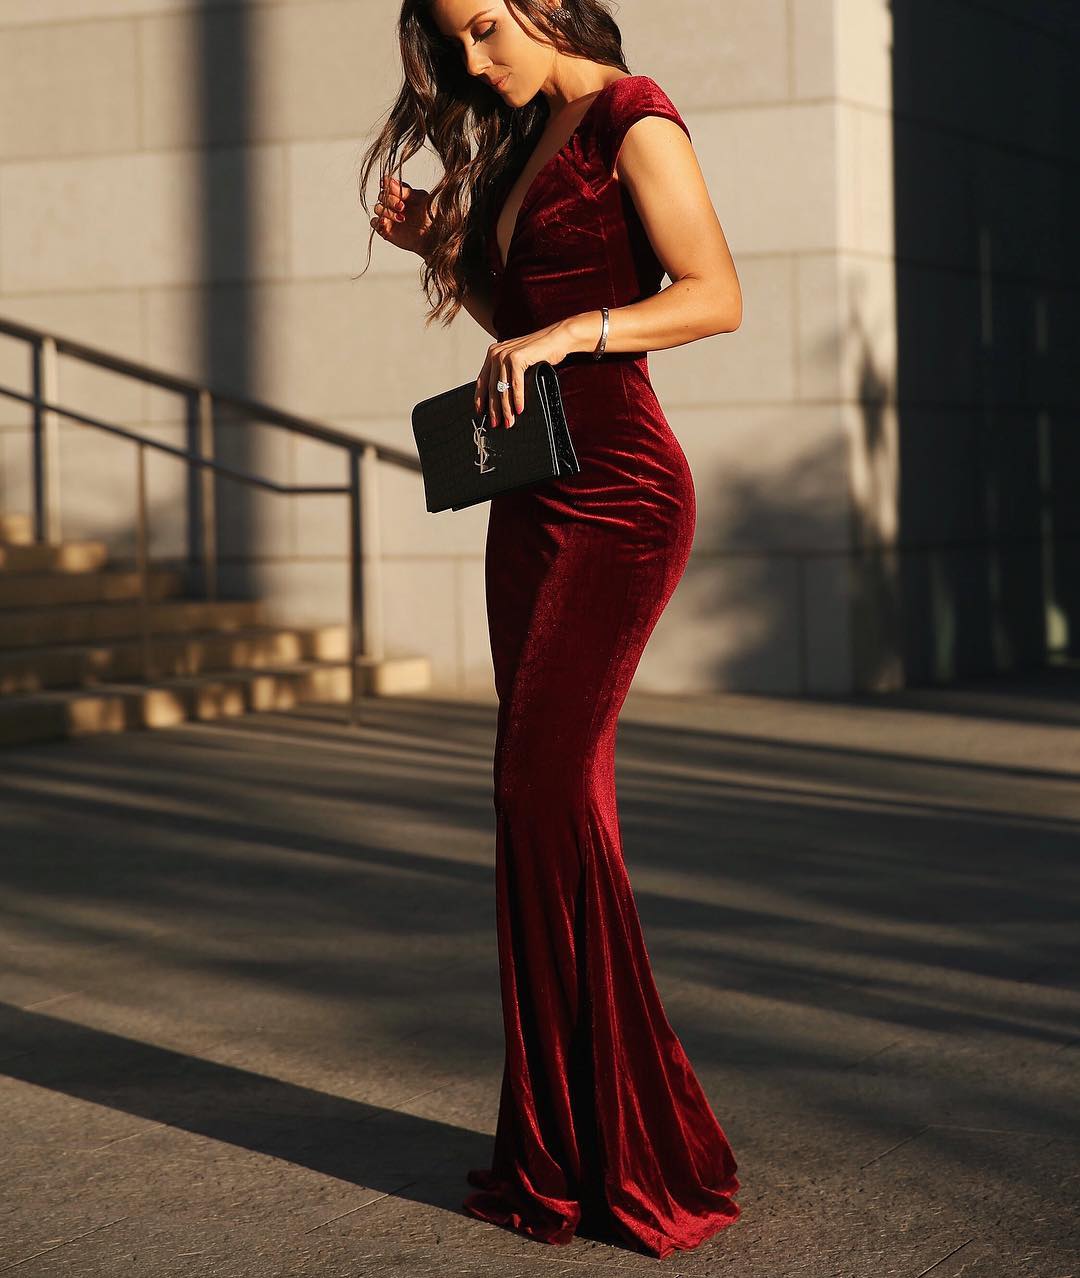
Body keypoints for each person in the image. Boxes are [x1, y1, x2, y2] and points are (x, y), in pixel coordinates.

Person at [358, 0, 743, 1260]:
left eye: (483, 28)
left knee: (542, 788)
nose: (475, 62)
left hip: (624, 491)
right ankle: (581, 1141)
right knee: (543, 795)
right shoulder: (527, 139)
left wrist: (571, 328)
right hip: (532, 490)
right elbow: (516, 334)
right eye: (455, 47)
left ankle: (640, 1146)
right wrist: (450, 257)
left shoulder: (635, 117)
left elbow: (714, 296)